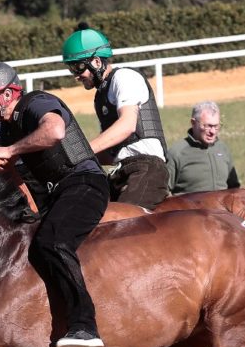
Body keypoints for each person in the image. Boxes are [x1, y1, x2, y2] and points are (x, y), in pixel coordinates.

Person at [0, 62, 110, 347]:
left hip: (85, 183)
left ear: (9, 94)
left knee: (53, 241)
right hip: (55, 195)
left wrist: (11, 151)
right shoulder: (7, 129)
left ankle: (85, 326)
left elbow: (56, 131)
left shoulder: (37, 102)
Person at [62, 24, 170, 209]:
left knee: (121, 227)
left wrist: (82, 150)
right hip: (121, 171)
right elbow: (109, 151)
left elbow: (127, 125)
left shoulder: (125, 77)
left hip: (146, 168)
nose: (76, 76)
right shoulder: (101, 96)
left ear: (96, 62)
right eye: (72, 69)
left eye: (79, 68)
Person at [165, 101, 241, 194]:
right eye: (208, 126)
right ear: (193, 123)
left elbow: (234, 190)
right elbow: (164, 191)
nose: (212, 131)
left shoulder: (223, 149)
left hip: (221, 209)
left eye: (216, 126)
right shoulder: (177, 153)